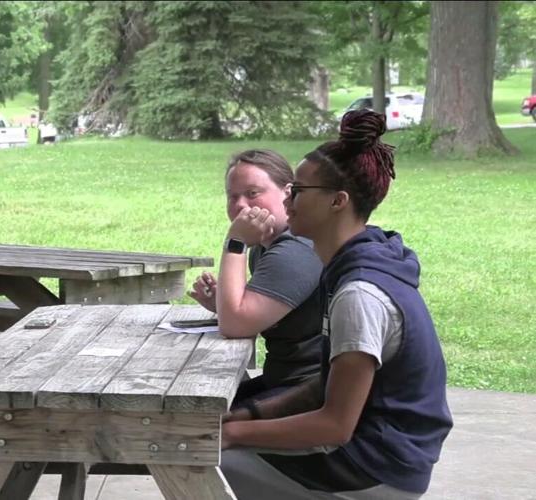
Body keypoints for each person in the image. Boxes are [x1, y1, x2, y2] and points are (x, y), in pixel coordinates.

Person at [219, 110, 453, 499]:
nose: (288, 199)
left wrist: (229, 435)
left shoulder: (359, 293)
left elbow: (334, 425)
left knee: (202, 461)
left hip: (378, 467)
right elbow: (324, 388)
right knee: (211, 444)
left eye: (299, 190)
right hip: (372, 450)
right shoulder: (357, 261)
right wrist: (245, 416)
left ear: (337, 201)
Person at [188, 149, 324, 405]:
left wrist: (236, 242)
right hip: (286, 378)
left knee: (194, 420)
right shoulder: (264, 246)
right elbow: (251, 315)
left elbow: (235, 326)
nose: (240, 205)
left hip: (310, 389)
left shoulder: (295, 249)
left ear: (288, 193)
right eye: (232, 197)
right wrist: (222, 302)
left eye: (253, 193)